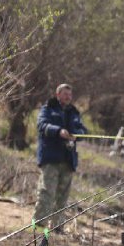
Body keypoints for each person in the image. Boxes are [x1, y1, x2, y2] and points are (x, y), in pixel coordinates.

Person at [34, 83, 88, 228]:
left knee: (62, 196)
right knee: (47, 191)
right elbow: (41, 125)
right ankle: (39, 224)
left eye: (70, 95)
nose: (68, 97)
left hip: (68, 159)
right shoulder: (47, 109)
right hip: (50, 157)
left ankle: (57, 227)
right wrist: (58, 131)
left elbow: (84, 131)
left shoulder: (74, 112)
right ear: (58, 95)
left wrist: (77, 135)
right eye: (65, 94)